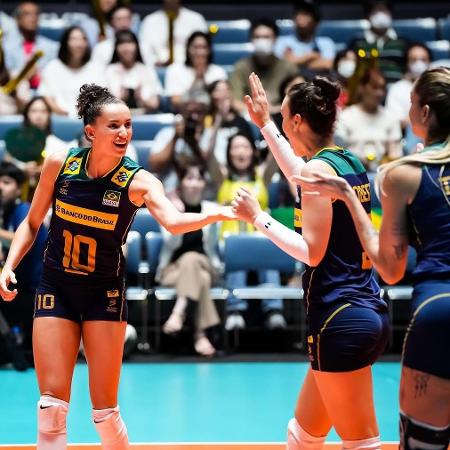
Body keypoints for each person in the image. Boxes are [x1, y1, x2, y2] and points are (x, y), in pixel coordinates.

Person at [0, 83, 233, 448]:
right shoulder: (59, 163)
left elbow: (172, 221)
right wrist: (9, 265)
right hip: (56, 287)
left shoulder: (138, 181)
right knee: (51, 407)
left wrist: (213, 214)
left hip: (103, 294)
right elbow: (32, 222)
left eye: (127, 124)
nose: (124, 132)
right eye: (113, 125)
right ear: (91, 131)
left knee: (104, 412)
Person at [295, 67, 450, 450]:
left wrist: (349, 197)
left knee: (421, 441)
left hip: (436, 305)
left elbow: (391, 269)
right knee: (303, 433)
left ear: (425, 114)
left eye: (411, 104)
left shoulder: (403, 174)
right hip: (362, 310)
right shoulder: (356, 161)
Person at [231, 72, 389, 449]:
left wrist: (259, 219)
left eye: (283, 117)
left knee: (361, 443)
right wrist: (266, 124)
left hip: (340, 315)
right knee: (302, 436)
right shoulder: (345, 160)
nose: (283, 124)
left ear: (298, 121)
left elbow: (311, 252)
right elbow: (300, 176)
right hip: (365, 309)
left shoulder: (318, 170)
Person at [209, 132, 285, 331]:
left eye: (245, 147)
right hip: (229, 243)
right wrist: (217, 122)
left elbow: (276, 154)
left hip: (260, 238)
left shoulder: (263, 176)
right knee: (238, 253)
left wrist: (267, 124)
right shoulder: (222, 178)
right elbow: (208, 155)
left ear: (253, 151)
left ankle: (274, 310)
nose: (240, 152)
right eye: (235, 147)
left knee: (268, 255)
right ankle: (235, 311)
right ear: (229, 152)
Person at [157, 163, 222, 356]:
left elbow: (211, 245)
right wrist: (178, 215)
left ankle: (179, 312)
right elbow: (171, 243)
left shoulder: (211, 209)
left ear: (204, 185)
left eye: (199, 179)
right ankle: (200, 335)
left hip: (207, 265)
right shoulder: (169, 211)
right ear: (180, 184)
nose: (194, 184)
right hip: (173, 271)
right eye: (189, 178)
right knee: (197, 274)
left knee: (193, 259)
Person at [0, 161, 47, 358]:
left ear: (19, 189)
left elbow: (24, 244)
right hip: (11, 290)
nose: (0, 187)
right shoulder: (5, 214)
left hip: (34, 293)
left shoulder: (25, 211)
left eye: (6, 182)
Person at [334, 67, 402, 172]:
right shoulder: (346, 116)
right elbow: (338, 152)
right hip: (351, 172)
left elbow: (395, 154)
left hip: (382, 173)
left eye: (382, 88)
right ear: (362, 87)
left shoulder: (391, 118)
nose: (379, 93)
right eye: (374, 87)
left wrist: (385, 163)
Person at [229, 18, 297, 114]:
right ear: (251, 39)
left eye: (266, 37)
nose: (261, 41)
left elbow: (295, 102)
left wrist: (274, 111)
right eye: (257, 37)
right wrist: (257, 113)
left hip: (282, 118)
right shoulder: (240, 67)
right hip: (250, 118)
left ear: (275, 39)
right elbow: (235, 102)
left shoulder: (289, 68)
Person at [38, 26, 105, 117]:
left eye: (83, 39)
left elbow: (103, 97)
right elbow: (46, 96)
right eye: (74, 39)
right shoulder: (52, 67)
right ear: (65, 43)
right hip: (60, 119)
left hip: (91, 119)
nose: (79, 44)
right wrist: (61, 113)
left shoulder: (96, 67)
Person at [164, 31, 227, 109]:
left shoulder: (218, 71)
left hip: (213, 116)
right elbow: (175, 101)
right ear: (188, 49)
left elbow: (224, 99)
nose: (199, 52)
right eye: (196, 47)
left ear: (209, 50)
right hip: (185, 116)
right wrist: (197, 78)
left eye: (203, 47)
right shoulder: (174, 70)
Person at [3, 1, 58, 90]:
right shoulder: (7, 48)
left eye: (36, 14)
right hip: (15, 93)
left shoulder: (52, 47)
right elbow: (4, 77)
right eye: (27, 14)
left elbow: (56, 75)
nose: (33, 17)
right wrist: (25, 74)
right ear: (18, 19)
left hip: (45, 92)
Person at [106, 30, 162, 113]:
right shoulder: (109, 71)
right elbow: (102, 106)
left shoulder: (147, 70)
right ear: (116, 48)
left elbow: (155, 104)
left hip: (145, 117)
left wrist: (140, 99)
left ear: (137, 46)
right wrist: (119, 100)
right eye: (121, 44)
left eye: (129, 43)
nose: (126, 48)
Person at [139, 0, 208, 67]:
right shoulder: (149, 21)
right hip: (158, 69)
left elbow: (205, 48)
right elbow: (143, 50)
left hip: (189, 69)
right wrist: (154, 62)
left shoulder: (196, 19)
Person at [274, 1, 335, 72]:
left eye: (305, 14)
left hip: (315, 81)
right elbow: (280, 66)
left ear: (316, 21)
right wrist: (311, 56)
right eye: (297, 13)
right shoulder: (281, 41)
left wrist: (294, 61)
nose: (299, 17)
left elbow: (327, 65)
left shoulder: (326, 42)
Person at [385, 43, 432, 129]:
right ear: (407, 63)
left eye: (423, 60)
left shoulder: (437, 86)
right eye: (414, 60)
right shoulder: (397, 88)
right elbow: (394, 122)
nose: (419, 64)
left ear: (430, 62)